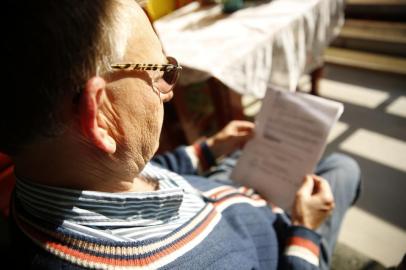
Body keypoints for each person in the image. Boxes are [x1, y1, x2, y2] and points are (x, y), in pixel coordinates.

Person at [0, 0, 360, 269]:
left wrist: (209, 149)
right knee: (343, 168)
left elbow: (147, 173)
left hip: (206, 193)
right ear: (102, 116)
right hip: (275, 233)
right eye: (160, 72)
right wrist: (306, 232)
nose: (169, 89)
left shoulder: (51, 178)